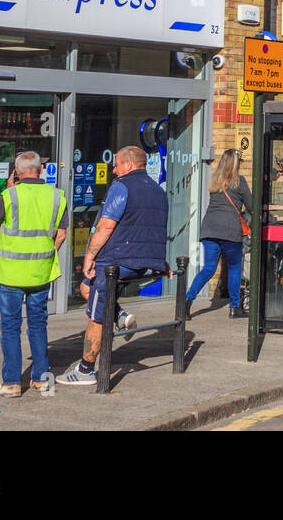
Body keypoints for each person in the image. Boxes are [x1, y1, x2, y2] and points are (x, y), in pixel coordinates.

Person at [58, 145, 169, 386]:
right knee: (86, 289)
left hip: (117, 261)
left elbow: (106, 225)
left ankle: (86, 369)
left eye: (117, 164)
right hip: (147, 260)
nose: (113, 168)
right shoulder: (158, 191)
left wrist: (89, 255)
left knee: (96, 315)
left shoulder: (121, 186)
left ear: (129, 165)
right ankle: (121, 315)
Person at [0, 151, 67, 398]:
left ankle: (11, 383)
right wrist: (44, 254)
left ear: (17, 172)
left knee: (10, 326)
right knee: (38, 324)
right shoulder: (56, 196)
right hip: (40, 273)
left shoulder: (10, 195)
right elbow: (61, 234)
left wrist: (9, 188)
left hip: (11, 273)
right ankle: (41, 380)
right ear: (41, 169)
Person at [186, 149, 250, 319]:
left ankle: (186, 302)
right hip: (230, 230)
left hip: (209, 229)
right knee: (234, 268)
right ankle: (235, 308)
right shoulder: (240, 182)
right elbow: (252, 207)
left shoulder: (215, 181)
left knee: (208, 269)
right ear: (236, 164)